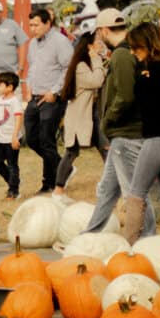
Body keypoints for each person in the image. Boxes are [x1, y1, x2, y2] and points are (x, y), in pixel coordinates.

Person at [87, 19, 160, 243]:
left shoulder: (152, 71)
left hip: (157, 139)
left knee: (135, 195)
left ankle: (133, 248)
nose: (133, 53)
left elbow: (137, 100)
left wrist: (107, 121)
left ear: (148, 45)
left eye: (137, 48)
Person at [19, 6, 75, 195]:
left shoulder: (60, 42)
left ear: (47, 23)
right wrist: (27, 88)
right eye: (30, 25)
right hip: (34, 97)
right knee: (32, 138)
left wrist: (55, 91)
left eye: (36, 25)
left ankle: (49, 183)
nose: (32, 29)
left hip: (52, 98)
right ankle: (63, 167)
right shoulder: (33, 43)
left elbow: (69, 68)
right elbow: (32, 68)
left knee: (46, 140)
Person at [56, 24, 108, 192]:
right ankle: (58, 189)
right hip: (81, 116)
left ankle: (111, 185)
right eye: (97, 42)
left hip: (93, 114)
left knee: (106, 149)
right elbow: (97, 81)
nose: (101, 45)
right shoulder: (81, 66)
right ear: (89, 46)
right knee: (72, 152)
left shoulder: (88, 63)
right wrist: (97, 58)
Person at [0, 71, 25, 199]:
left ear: (10, 87)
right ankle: (13, 181)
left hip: (11, 138)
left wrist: (15, 136)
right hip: (0, 137)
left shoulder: (15, 101)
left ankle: (13, 190)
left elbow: (18, 118)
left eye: (1, 85)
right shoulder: (0, 100)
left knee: (12, 164)